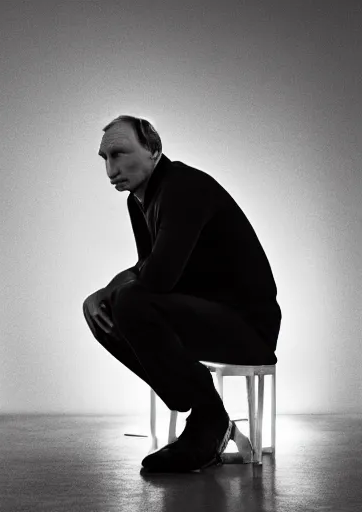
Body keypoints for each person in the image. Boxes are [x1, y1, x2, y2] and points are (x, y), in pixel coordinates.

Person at [83, 115, 281, 473]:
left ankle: (208, 418)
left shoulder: (182, 187)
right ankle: (201, 406)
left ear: (154, 151)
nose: (111, 168)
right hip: (203, 315)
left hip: (247, 325)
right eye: (104, 158)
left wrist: (118, 291)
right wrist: (105, 292)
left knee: (128, 301)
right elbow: (147, 265)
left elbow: (158, 278)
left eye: (120, 153)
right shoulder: (138, 201)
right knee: (99, 309)